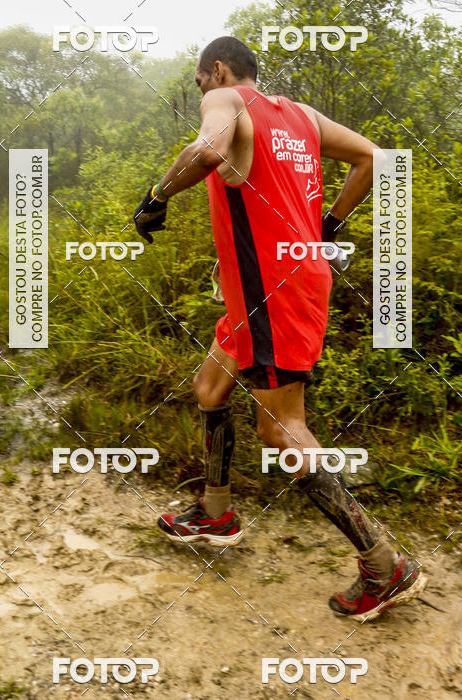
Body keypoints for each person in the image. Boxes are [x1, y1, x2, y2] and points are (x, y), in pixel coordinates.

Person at [133, 36, 426, 621]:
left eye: (199, 83)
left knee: (281, 430)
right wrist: (328, 225)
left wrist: (157, 194)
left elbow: (208, 151)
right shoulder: (301, 117)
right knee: (210, 387)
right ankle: (216, 512)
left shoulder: (225, 101)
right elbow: (374, 157)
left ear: (216, 71)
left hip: (274, 294)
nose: (202, 93)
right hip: (266, 287)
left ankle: (384, 565)